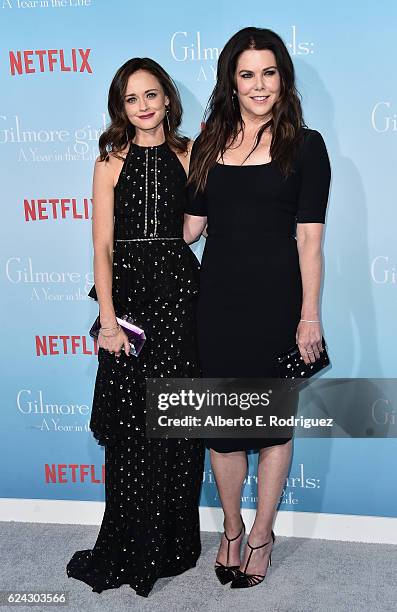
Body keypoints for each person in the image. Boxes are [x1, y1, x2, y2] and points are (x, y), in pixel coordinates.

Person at [184, 27, 331, 589]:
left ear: (283, 78)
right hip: (216, 305)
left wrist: (309, 315)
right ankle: (231, 529)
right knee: (222, 429)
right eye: (247, 73)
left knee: (270, 429)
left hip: (277, 306)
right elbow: (191, 228)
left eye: (269, 72)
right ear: (232, 80)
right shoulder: (208, 143)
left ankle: (263, 536)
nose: (259, 84)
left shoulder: (306, 145)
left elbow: (311, 241)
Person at [66, 57, 204, 598]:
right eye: (131, 98)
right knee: (130, 428)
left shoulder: (191, 154)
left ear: (168, 99)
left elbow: (195, 229)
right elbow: (101, 244)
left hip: (180, 296)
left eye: (151, 95)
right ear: (120, 108)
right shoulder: (110, 160)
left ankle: (171, 543)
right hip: (128, 302)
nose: (144, 105)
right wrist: (107, 320)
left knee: (175, 423)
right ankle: (129, 545)